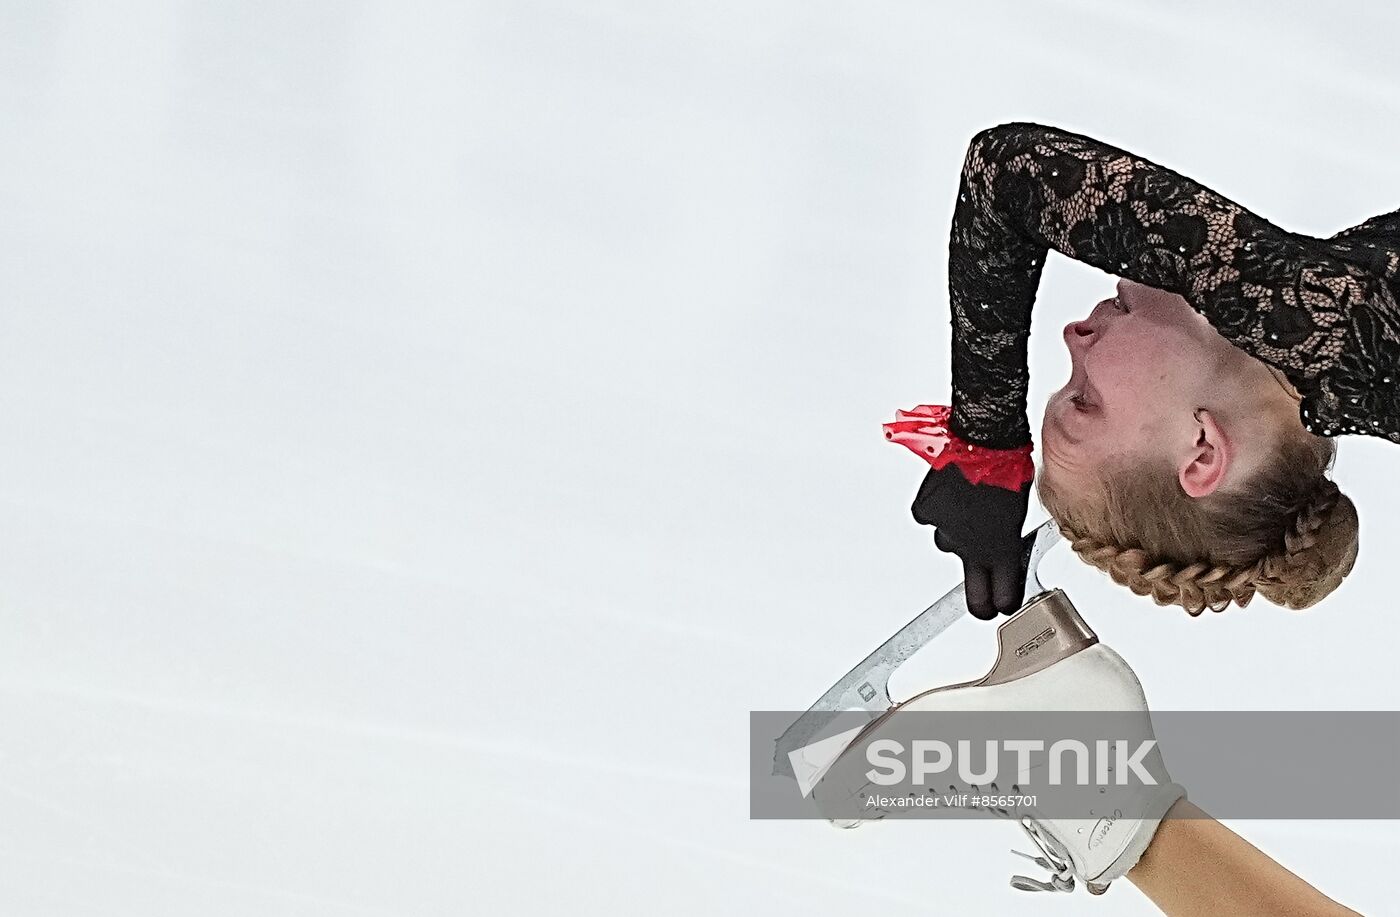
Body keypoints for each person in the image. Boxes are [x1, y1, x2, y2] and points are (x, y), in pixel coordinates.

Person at [886, 122, 1395, 618]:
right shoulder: (1326, 327)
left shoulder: (1337, 332)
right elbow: (1010, 175)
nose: (1073, 336)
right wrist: (987, 441)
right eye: (1086, 399)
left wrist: (988, 446)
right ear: (1202, 450)